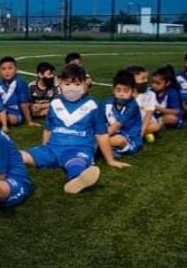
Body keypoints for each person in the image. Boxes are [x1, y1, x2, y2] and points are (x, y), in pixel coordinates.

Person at [21, 64, 128, 195]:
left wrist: (110, 160)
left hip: (78, 149)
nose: (72, 88)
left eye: (77, 84)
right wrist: (44, 147)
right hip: (53, 149)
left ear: (84, 84)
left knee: (76, 162)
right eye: (67, 84)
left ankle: (77, 179)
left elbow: (101, 135)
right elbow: (48, 129)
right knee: (22, 156)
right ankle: (5, 169)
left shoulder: (93, 105)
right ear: (60, 83)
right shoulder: (55, 103)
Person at [100, 70, 143, 160]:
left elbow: (116, 126)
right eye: (118, 90)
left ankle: (101, 147)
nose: (121, 94)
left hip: (129, 139)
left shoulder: (133, 106)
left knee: (118, 140)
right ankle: (105, 148)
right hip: (110, 134)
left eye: (126, 91)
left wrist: (99, 137)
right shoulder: (107, 102)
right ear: (113, 90)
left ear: (133, 92)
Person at [0, 56, 38, 127]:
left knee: (10, 119)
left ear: (16, 70)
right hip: (2, 111)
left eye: (10, 68)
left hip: (16, 113)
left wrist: (29, 121)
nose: (7, 72)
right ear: (0, 71)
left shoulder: (20, 83)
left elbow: (23, 103)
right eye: (3, 69)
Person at [127, 65, 162, 141]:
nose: (146, 81)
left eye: (146, 78)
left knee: (156, 126)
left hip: (145, 122)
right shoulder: (124, 94)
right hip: (129, 123)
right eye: (142, 79)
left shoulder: (150, 94)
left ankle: (134, 135)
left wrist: (141, 132)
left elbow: (148, 115)